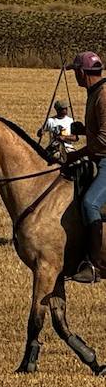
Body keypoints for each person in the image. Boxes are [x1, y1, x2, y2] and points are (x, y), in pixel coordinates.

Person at [62, 52, 106, 278]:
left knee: (90, 204)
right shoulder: (94, 92)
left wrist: (75, 155)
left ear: (82, 72)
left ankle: (94, 265)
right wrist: (83, 129)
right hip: (98, 157)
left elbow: (104, 139)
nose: (75, 77)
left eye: (75, 72)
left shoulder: (103, 95)